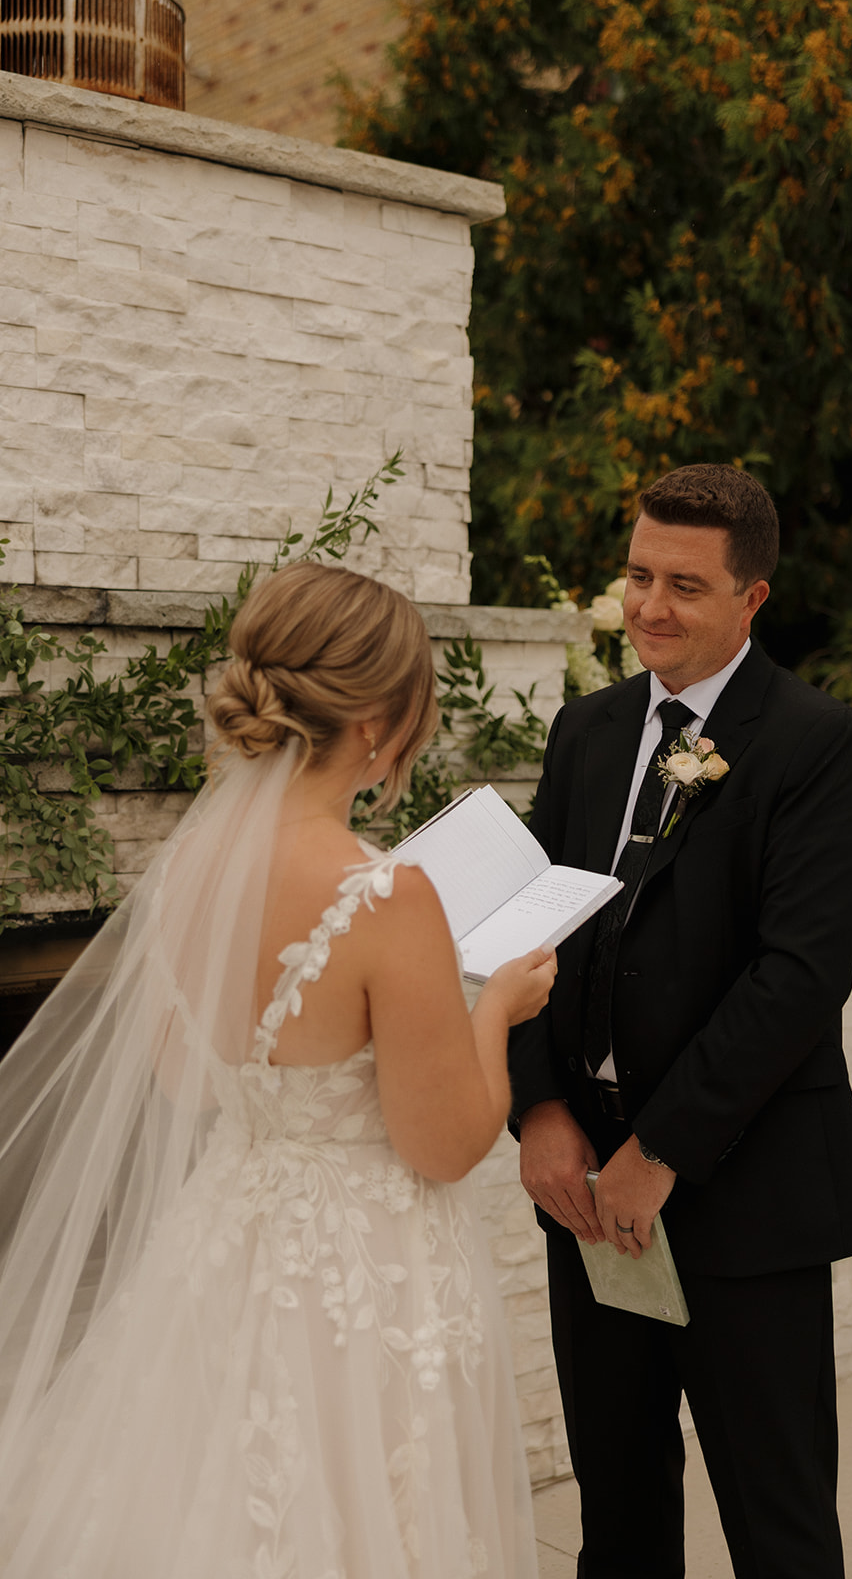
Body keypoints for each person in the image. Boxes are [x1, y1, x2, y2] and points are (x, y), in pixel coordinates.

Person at [0, 561, 555, 1578]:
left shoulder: (189, 866)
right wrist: (497, 1013)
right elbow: (441, 1143)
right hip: (365, 1266)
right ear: (379, 724)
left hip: (227, 1234)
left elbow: (187, 1078)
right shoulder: (388, 894)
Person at [509, 463, 852, 1579]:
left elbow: (795, 976)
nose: (648, 605)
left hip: (744, 1188)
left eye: (683, 583)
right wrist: (537, 1107)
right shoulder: (585, 730)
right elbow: (531, 929)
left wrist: (658, 1150)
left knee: (776, 1527)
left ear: (751, 599)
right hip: (581, 1186)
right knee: (617, 1517)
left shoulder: (816, 740)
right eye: (636, 574)